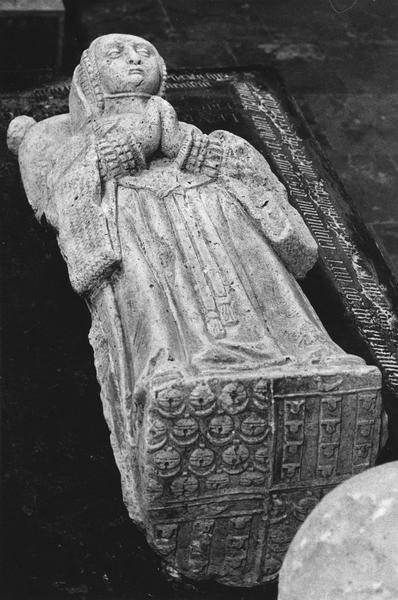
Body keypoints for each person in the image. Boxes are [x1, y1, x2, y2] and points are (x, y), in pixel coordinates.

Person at [11, 33, 363, 527]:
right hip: (134, 219)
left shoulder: (188, 132)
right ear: (90, 77)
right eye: (117, 52)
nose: (135, 57)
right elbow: (61, 202)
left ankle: (306, 349)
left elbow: (261, 185)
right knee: (138, 255)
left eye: (145, 51)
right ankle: (164, 367)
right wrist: (109, 159)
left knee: (238, 228)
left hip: (206, 208)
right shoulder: (73, 139)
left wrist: (190, 149)